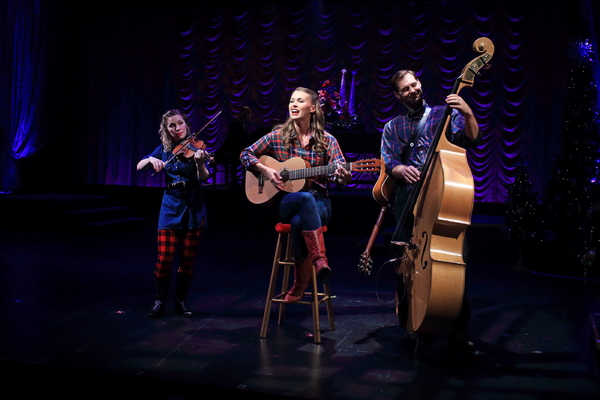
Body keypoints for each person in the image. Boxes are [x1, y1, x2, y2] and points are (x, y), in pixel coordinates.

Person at [380, 70, 480, 355]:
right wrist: (401, 169)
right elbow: (389, 162)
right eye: (406, 88)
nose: (413, 90)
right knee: (406, 263)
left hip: (440, 194)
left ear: (420, 84)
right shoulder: (392, 126)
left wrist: (468, 113)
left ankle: (458, 330)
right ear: (398, 95)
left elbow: (471, 139)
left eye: (415, 84)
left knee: (454, 261)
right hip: (407, 198)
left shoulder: (443, 114)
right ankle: (412, 325)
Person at [240, 87, 352, 303]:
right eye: (292, 100)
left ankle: (299, 285)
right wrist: (266, 170)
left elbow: (340, 177)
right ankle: (320, 260)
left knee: (302, 217)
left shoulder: (328, 140)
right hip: (288, 200)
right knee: (303, 199)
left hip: (320, 202)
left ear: (312, 108)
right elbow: (245, 153)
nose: (293, 104)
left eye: (300, 101)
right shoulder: (277, 136)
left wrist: (343, 176)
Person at [136, 109, 211, 318]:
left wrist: (200, 162)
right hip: (170, 205)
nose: (177, 128)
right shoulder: (164, 149)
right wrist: (152, 160)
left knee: (188, 260)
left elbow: (204, 177)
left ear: (186, 124)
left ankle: (181, 301)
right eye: (172, 125)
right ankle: (160, 300)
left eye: (180, 123)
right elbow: (139, 165)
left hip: (193, 206)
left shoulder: (196, 148)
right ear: (166, 129)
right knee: (165, 258)